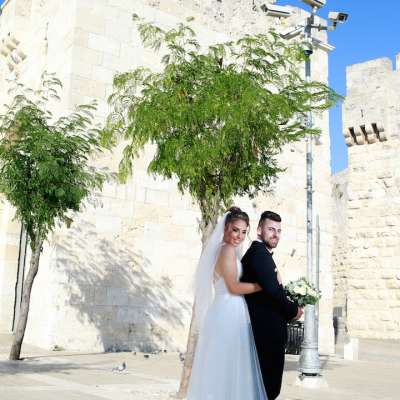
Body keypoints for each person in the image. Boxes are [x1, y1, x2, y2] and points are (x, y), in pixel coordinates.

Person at [187, 207, 268, 400]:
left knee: (221, 365)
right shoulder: (228, 250)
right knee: (231, 364)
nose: (239, 236)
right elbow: (233, 287)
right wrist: (261, 286)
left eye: (243, 232)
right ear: (226, 227)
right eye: (235, 230)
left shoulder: (219, 250)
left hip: (221, 309)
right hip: (229, 311)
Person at [241, 210, 303, 400]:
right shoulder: (259, 254)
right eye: (270, 229)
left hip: (265, 333)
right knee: (267, 389)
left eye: (278, 230)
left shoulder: (260, 254)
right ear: (259, 230)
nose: (275, 234)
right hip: (265, 335)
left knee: (264, 388)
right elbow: (273, 292)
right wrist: (294, 311)